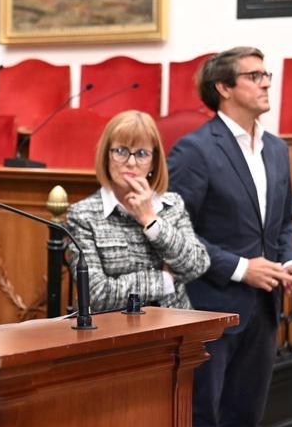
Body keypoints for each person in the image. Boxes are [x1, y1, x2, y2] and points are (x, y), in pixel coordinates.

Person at [166, 47, 292, 427]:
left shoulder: (274, 149)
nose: (266, 83)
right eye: (254, 76)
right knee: (200, 421)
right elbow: (180, 235)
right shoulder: (194, 150)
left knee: (246, 417)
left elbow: (284, 220)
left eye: (266, 74)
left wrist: (288, 264)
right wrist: (239, 268)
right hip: (213, 303)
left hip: (264, 303)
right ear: (223, 88)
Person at [66, 110, 209, 311]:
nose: (131, 162)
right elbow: (95, 294)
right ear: (106, 156)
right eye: (121, 151)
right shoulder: (83, 215)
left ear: (153, 162)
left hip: (175, 330)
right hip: (116, 335)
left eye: (142, 154)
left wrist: (151, 220)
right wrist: (165, 280)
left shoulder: (172, 205)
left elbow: (197, 266)